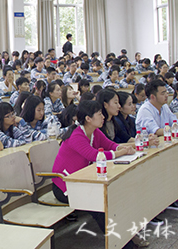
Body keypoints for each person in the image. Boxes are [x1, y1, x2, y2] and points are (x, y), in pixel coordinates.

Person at [51, 100, 135, 247]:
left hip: (84, 181)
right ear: (88, 118)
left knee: (114, 195)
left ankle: (127, 236)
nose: (103, 116)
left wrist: (124, 149)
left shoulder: (95, 132)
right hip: (65, 186)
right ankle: (121, 244)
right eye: (99, 114)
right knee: (99, 205)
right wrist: (118, 153)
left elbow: (110, 145)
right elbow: (95, 156)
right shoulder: (76, 136)